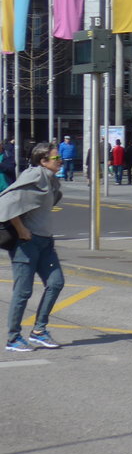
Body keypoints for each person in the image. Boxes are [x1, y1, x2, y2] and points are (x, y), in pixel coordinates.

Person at [1, 143, 65, 351]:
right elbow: (8, 202)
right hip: (26, 244)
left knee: (56, 283)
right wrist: (21, 229)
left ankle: (39, 331)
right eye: (56, 158)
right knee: (23, 292)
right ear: (43, 161)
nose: (60, 160)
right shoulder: (35, 175)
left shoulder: (51, 179)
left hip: (46, 242)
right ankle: (13, 338)